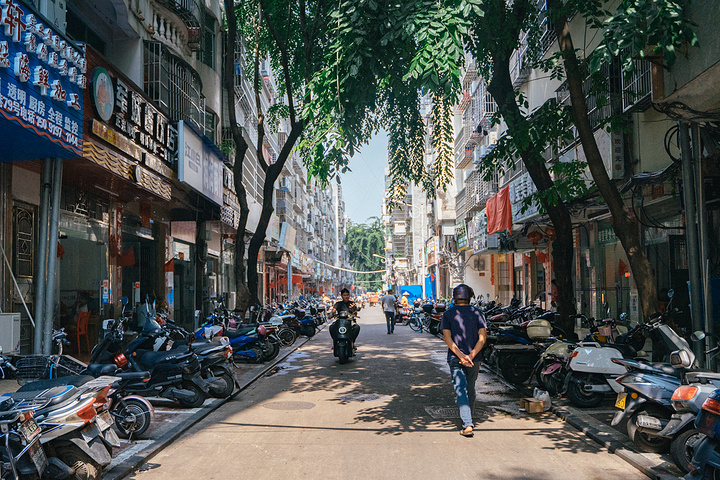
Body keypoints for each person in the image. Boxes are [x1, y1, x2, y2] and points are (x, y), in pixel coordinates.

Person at [441, 283, 487, 437]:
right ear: (469, 297)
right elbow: (482, 338)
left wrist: (461, 356)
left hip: (456, 358)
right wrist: (471, 356)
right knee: (470, 388)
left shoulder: (448, 314)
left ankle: (467, 423)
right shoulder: (478, 313)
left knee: (461, 389)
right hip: (474, 359)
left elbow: (448, 339)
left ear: (455, 297)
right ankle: (468, 418)